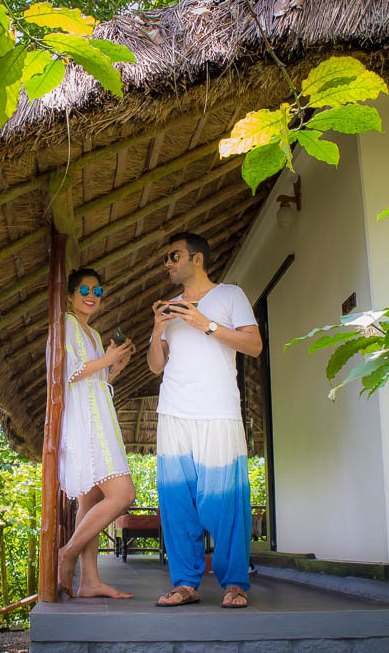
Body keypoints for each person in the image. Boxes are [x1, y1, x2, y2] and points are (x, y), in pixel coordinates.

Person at [146, 232, 263, 608]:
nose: (168, 263)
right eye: (166, 258)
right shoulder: (169, 307)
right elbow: (155, 366)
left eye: (173, 256)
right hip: (174, 411)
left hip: (218, 410)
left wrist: (206, 324)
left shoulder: (231, 295)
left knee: (227, 499)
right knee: (176, 500)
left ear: (197, 259)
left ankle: (235, 583)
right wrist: (157, 329)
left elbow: (254, 346)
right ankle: (185, 583)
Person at [55, 268, 137, 599]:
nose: (92, 295)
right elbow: (67, 372)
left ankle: (90, 580)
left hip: (98, 414)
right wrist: (106, 358)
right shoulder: (65, 324)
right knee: (122, 495)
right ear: (72, 294)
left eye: (98, 291)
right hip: (85, 422)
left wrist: (115, 365)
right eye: (85, 290)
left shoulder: (93, 332)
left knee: (90, 501)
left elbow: (98, 382)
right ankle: (68, 552)